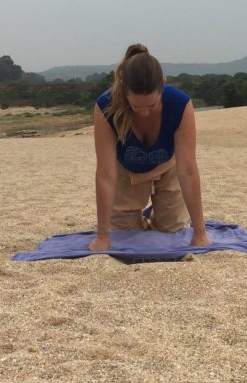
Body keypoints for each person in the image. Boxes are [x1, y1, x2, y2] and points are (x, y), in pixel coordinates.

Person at [89, 44, 211, 251]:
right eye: (136, 106)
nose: (144, 112)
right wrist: (102, 236)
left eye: (152, 105)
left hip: (167, 167)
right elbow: (105, 174)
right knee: (125, 235)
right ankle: (137, 217)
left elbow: (188, 171)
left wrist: (199, 233)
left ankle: (158, 213)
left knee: (172, 230)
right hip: (125, 170)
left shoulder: (180, 104)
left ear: (162, 86)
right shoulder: (106, 106)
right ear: (123, 90)